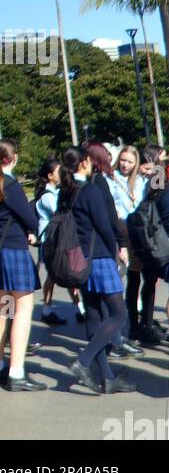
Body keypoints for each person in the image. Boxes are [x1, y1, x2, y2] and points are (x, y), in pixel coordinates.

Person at [60, 146, 135, 396]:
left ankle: (108, 376)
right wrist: (117, 249)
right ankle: (83, 361)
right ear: (83, 163)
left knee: (94, 314)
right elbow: (104, 224)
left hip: (78, 258)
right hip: (99, 256)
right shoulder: (90, 190)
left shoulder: (66, 190)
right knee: (118, 314)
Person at [0, 138, 44, 392]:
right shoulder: (11, 185)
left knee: (2, 306)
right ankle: (17, 371)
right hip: (14, 251)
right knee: (22, 310)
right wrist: (33, 229)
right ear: (14, 158)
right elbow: (29, 217)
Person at [86, 141, 138, 357]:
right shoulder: (100, 181)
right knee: (115, 305)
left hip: (93, 248)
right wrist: (119, 245)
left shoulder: (88, 182)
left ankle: (110, 344)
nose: (113, 159)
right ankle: (100, 349)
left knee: (98, 306)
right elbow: (107, 217)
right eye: (108, 155)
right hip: (104, 246)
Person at [107, 145, 147, 341]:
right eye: (123, 160)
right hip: (119, 231)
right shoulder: (110, 179)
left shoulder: (140, 180)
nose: (125, 164)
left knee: (135, 279)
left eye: (130, 161)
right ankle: (114, 330)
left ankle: (134, 324)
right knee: (117, 279)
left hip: (137, 232)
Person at [136, 144, 169, 345]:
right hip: (159, 239)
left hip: (151, 239)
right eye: (164, 158)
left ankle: (145, 323)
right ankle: (145, 324)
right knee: (148, 282)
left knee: (148, 282)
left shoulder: (154, 180)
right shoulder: (157, 179)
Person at [34, 156, 67, 326]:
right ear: (49, 175)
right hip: (49, 240)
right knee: (54, 275)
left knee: (55, 275)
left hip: (52, 239)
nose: (62, 174)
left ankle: (79, 306)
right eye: (58, 171)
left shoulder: (53, 192)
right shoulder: (48, 196)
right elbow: (59, 213)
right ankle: (46, 309)